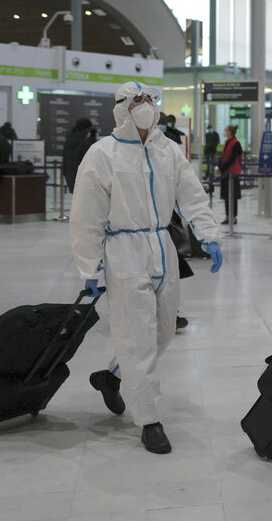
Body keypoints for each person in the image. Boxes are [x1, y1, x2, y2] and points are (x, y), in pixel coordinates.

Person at [71, 81, 223, 454]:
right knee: (136, 338)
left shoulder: (167, 149)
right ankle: (150, 420)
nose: (147, 106)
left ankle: (112, 376)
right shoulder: (102, 154)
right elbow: (86, 216)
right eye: (138, 100)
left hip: (162, 246)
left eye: (151, 99)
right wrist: (89, 267)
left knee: (164, 332)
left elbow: (191, 193)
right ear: (122, 108)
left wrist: (208, 233)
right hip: (124, 251)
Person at [217, 124, 243, 224]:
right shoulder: (227, 142)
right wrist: (220, 167)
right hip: (225, 173)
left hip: (232, 174)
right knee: (226, 196)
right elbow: (223, 156)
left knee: (233, 196)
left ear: (229, 132)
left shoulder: (236, 144)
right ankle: (228, 216)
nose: (224, 131)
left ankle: (233, 217)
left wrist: (222, 168)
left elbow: (232, 159)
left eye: (225, 130)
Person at [63, 118, 96, 193]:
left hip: (69, 176)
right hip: (82, 178)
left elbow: (64, 160)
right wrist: (93, 138)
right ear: (85, 128)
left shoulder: (69, 140)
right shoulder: (84, 142)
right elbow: (91, 158)